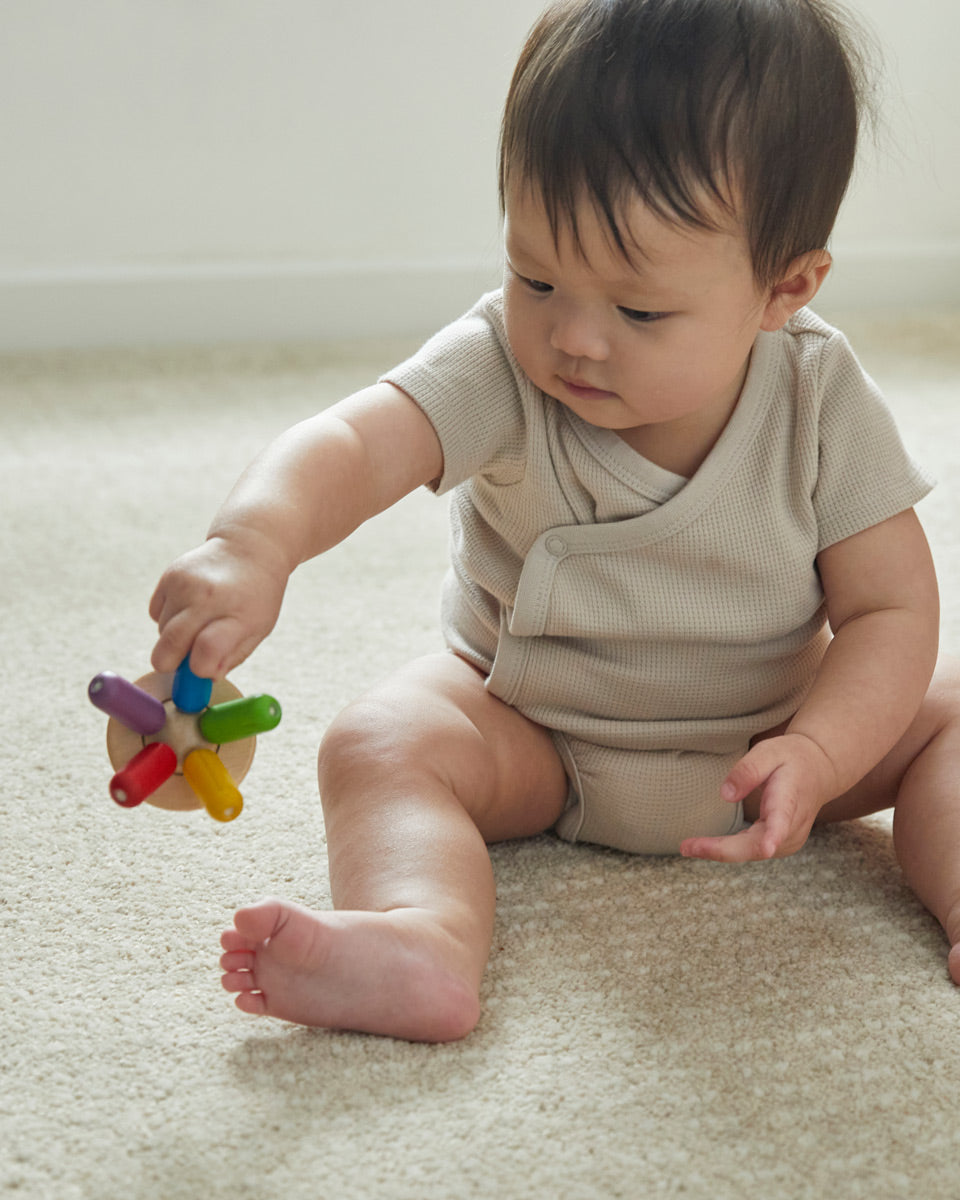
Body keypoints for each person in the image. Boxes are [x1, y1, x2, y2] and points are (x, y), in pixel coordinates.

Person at [150, 0, 960, 1042]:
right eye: (536, 275)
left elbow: (894, 610)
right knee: (378, 742)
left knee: (947, 709)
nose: (572, 338)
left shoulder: (819, 401)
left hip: (765, 738)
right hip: (533, 729)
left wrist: (825, 748)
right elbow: (353, 445)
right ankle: (422, 934)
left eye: (639, 311)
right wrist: (250, 546)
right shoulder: (498, 363)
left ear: (784, 287)